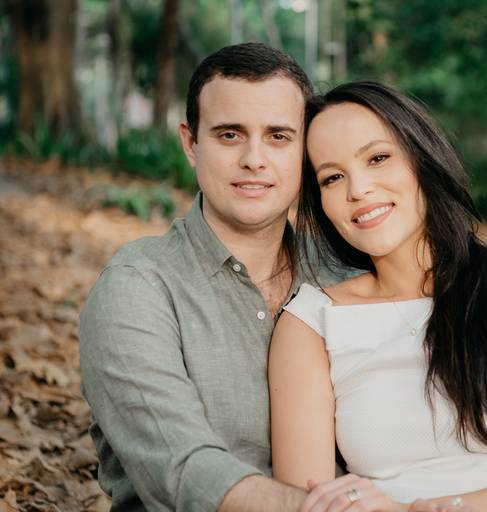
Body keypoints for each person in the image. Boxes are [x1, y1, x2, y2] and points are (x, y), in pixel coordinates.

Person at [269, 82, 487, 511]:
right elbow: (306, 499)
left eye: (377, 158)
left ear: (422, 157)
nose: (358, 189)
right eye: (332, 177)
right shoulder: (312, 322)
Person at [79, 42, 346, 512]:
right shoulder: (137, 288)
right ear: (191, 143)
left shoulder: (344, 272)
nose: (254, 159)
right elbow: (185, 473)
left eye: (278, 136)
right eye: (229, 135)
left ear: (304, 148)